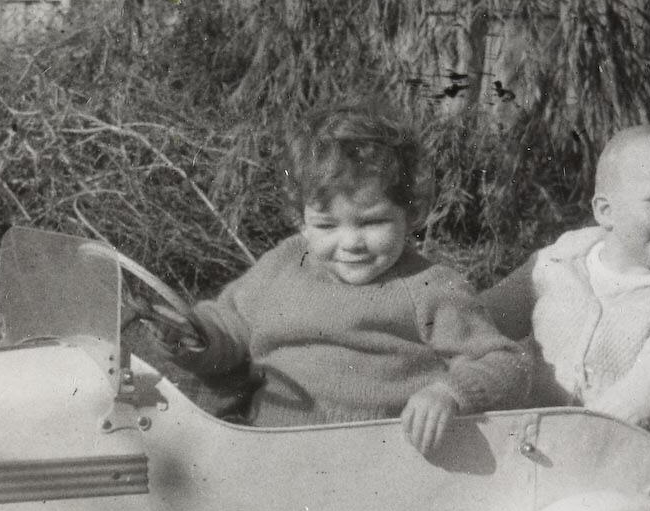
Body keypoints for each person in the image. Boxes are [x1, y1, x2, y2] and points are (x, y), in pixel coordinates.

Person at [151, 102, 529, 458]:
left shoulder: (428, 288)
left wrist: (449, 392)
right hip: (270, 451)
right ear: (301, 220)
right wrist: (194, 336)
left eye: (372, 222)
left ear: (410, 213)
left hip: (375, 465)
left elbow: (505, 362)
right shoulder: (285, 263)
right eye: (327, 225)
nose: (351, 243)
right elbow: (229, 323)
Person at [478, 124, 650, 448]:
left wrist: (565, 440)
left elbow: (645, 398)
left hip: (629, 457)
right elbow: (483, 319)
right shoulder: (558, 264)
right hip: (533, 445)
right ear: (606, 211)